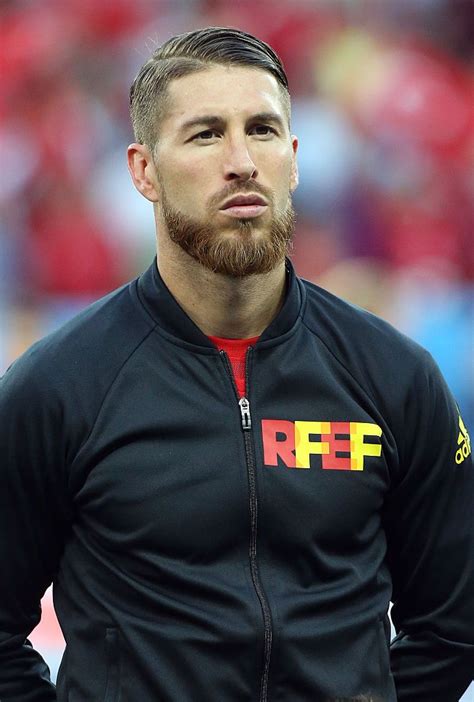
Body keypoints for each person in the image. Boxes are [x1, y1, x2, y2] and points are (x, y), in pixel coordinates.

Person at [0, 27, 472, 702]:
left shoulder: (395, 378)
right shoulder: (57, 389)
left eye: (262, 130)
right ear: (142, 170)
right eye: (205, 134)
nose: (242, 159)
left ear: (295, 158)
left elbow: (454, 628)